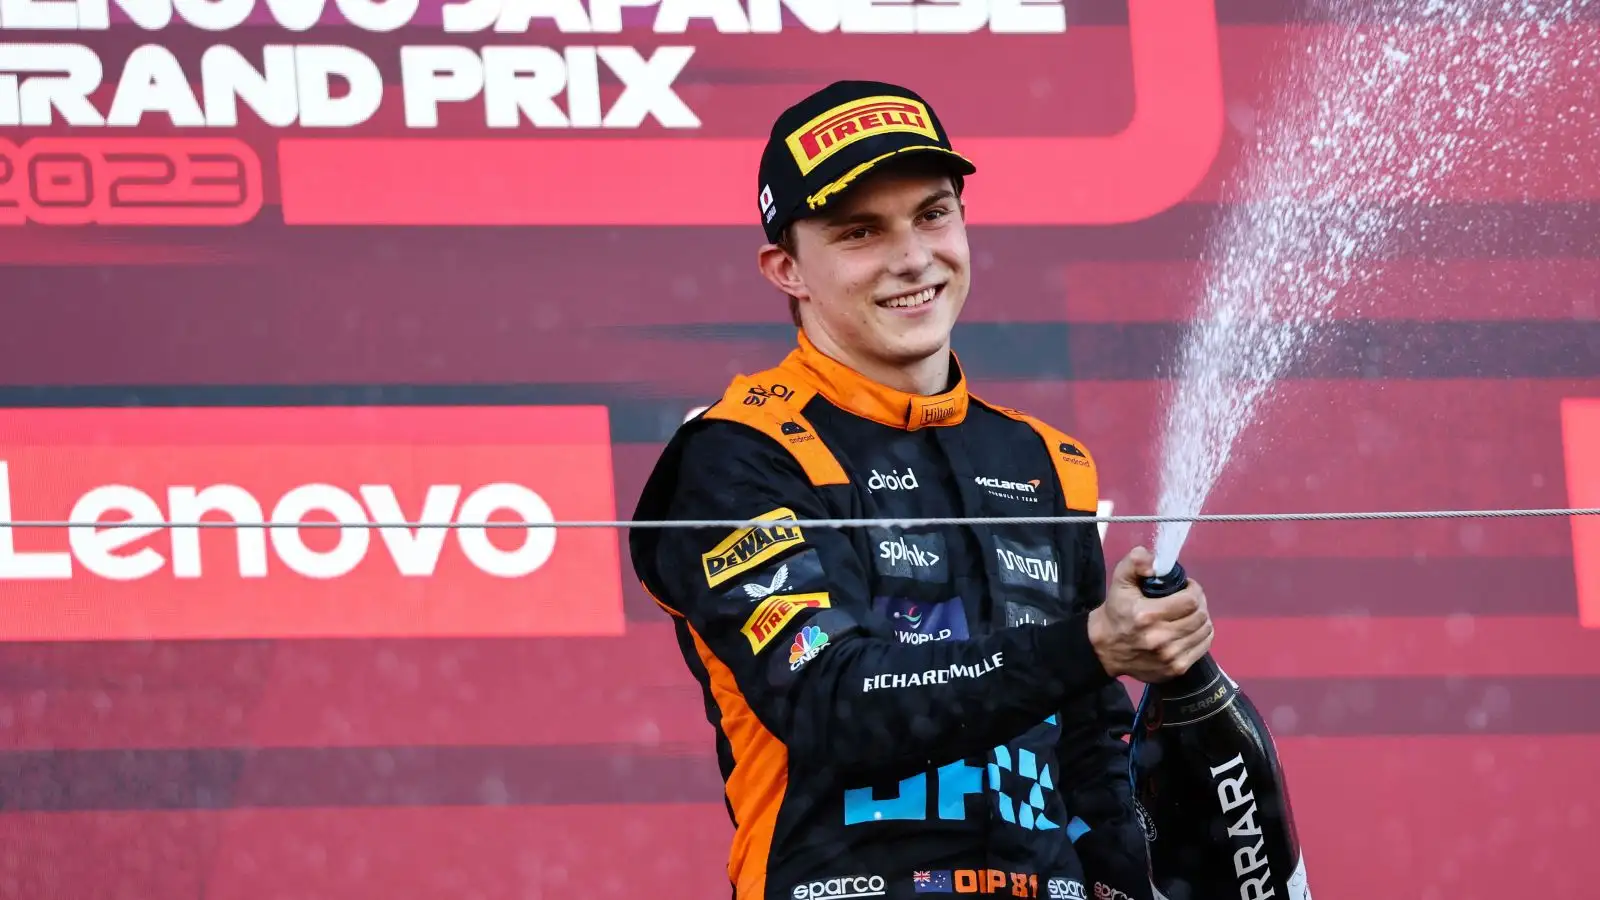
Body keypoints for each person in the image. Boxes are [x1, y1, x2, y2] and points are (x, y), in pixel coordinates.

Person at [628, 80, 1215, 900]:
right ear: (786, 267)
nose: (911, 258)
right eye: (860, 231)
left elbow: (1092, 755)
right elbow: (831, 703)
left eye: (933, 215)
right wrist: (1087, 645)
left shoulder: (1045, 460)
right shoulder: (736, 455)